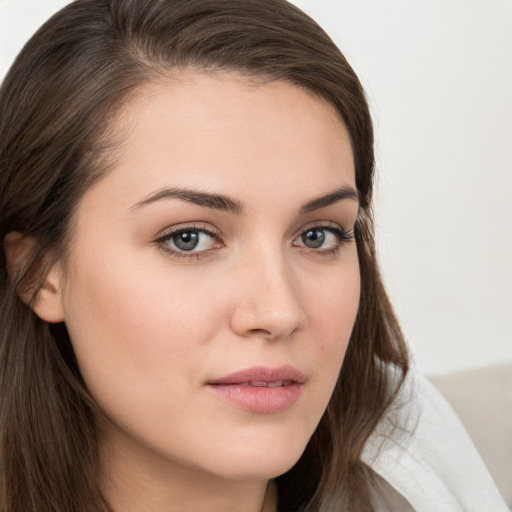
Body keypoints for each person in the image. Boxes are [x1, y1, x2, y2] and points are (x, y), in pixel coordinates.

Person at [0, 1, 507, 511]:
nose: (279, 312)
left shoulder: (441, 464)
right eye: (189, 238)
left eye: (317, 236)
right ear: (39, 272)